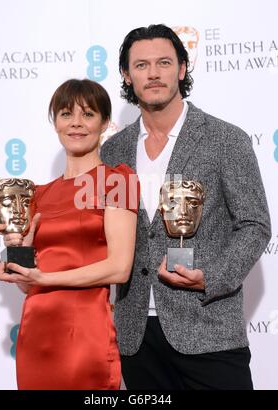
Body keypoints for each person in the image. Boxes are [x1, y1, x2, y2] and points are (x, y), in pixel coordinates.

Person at [100, 24, 271, 390]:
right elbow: (103, 231)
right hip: (136, 336)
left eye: (164, 62)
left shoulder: (226, 139)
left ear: (181, 69)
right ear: (127, 76)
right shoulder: (113, 151)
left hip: (207, 328)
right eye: (141, 65)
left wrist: (211, 275)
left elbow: (255, 224)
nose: (154, 73)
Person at [0, 78, 139, 390]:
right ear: (54, 122)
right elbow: (26, 284)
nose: (76, 123)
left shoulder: (118, 180)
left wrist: (45, 279)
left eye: (87, 114)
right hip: (36, 333)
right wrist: (15, 251)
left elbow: (120, 267)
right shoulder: (37, 195)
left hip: (84, 332)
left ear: (104, 123)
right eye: (65, 114)